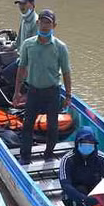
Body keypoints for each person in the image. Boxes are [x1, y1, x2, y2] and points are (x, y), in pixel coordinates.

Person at [12, 9, 72, 163]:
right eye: (42, 22)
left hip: (52, 92)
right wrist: (17, 92)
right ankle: (25, 156)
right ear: (37, 23)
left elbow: (66, 72)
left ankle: (49, 154)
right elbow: (21, 68)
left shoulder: (60, 47)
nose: (45, 26)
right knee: (27, 125)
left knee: (53, 126)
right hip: (33, 90)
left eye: (48, 23)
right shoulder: (28, 44)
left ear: (54, 26)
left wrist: (68, 95)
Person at [59, 126, 104, 206]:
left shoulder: (102, 159)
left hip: (94, 195)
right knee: (80, 190)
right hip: (74, 196)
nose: (87, 145)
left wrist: (99, 199)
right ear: (77, 143)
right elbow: (65, 185)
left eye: (90, 143)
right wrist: (83, 199)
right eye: (84, 143)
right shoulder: (67, 159)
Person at [0, 0, 38, 98]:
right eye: (19, 4)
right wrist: (10, 47)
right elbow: (19, 39)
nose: (21, 6)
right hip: (21, 59)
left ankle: (28, 95)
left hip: (30, 62)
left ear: (32, 4)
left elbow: (36, 49)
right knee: (6, 74)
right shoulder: (24, 19)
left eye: (24, 3)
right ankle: (22, 93)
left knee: (22, 78)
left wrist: (26, 67)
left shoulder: (36, 22)